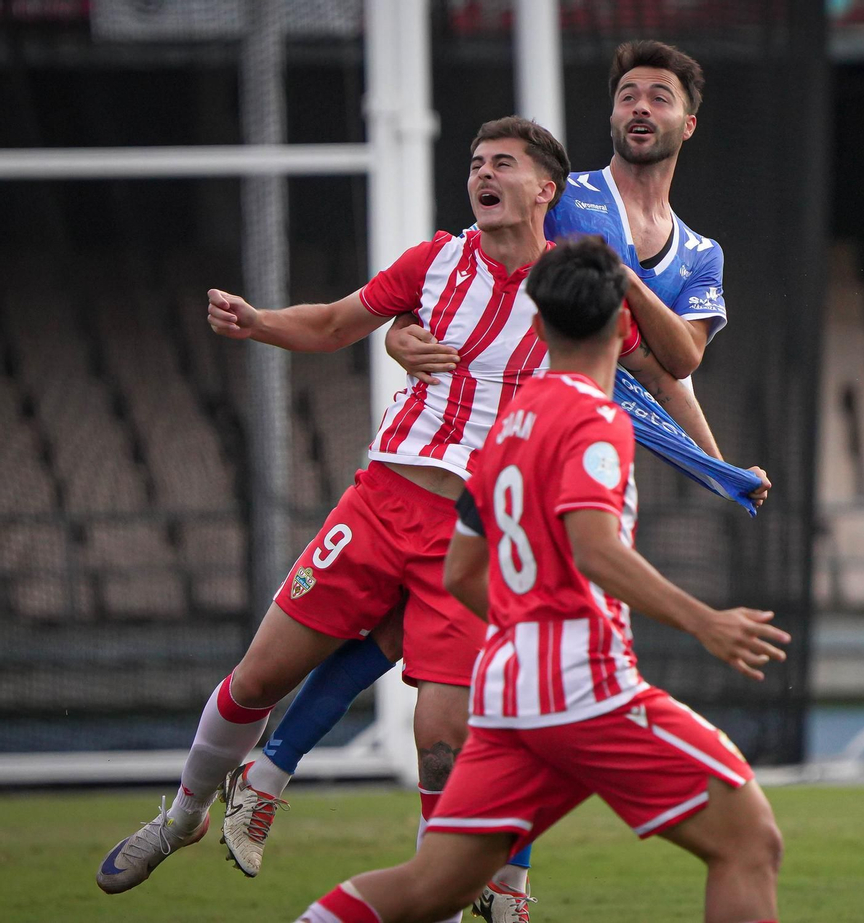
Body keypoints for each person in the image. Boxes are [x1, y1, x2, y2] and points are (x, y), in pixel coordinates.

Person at [95, 117, 720, 901]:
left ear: (544, 190)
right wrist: (258, 323)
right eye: (475, 163)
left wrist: (716, 460)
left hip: (476, 533)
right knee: (255, 678)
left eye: (502, 163)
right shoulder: (437, 261)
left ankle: (451, 895)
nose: (482, 174)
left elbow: (668, 367)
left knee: (443, 748)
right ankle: (184, 813)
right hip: (382, 503)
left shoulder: (577, 285)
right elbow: (331, 322)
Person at [262, 39, 741, 919]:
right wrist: (400, 332)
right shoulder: (569, 195)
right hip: (536, 444)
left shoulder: (698, 254)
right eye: (627, 93)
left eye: (659, 96)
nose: (640, 107)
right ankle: (271, 772)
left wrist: (716, 467)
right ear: (609, 117)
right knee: (744, 832)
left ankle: (483, 872)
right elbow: (480, 262)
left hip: (541, 456)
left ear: (687, 122)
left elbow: (678, 369)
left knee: (436, 799)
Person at [294, 236, 787, 923]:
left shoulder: (506, 425)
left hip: (507, 693)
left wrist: (524, 628)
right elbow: (592, 547)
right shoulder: (597, 419)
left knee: (433, 885)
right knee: (749, 841)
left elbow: (461, 568)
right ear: (623, 326)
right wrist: (703, 620)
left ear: (537, 324)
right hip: (585, 690)